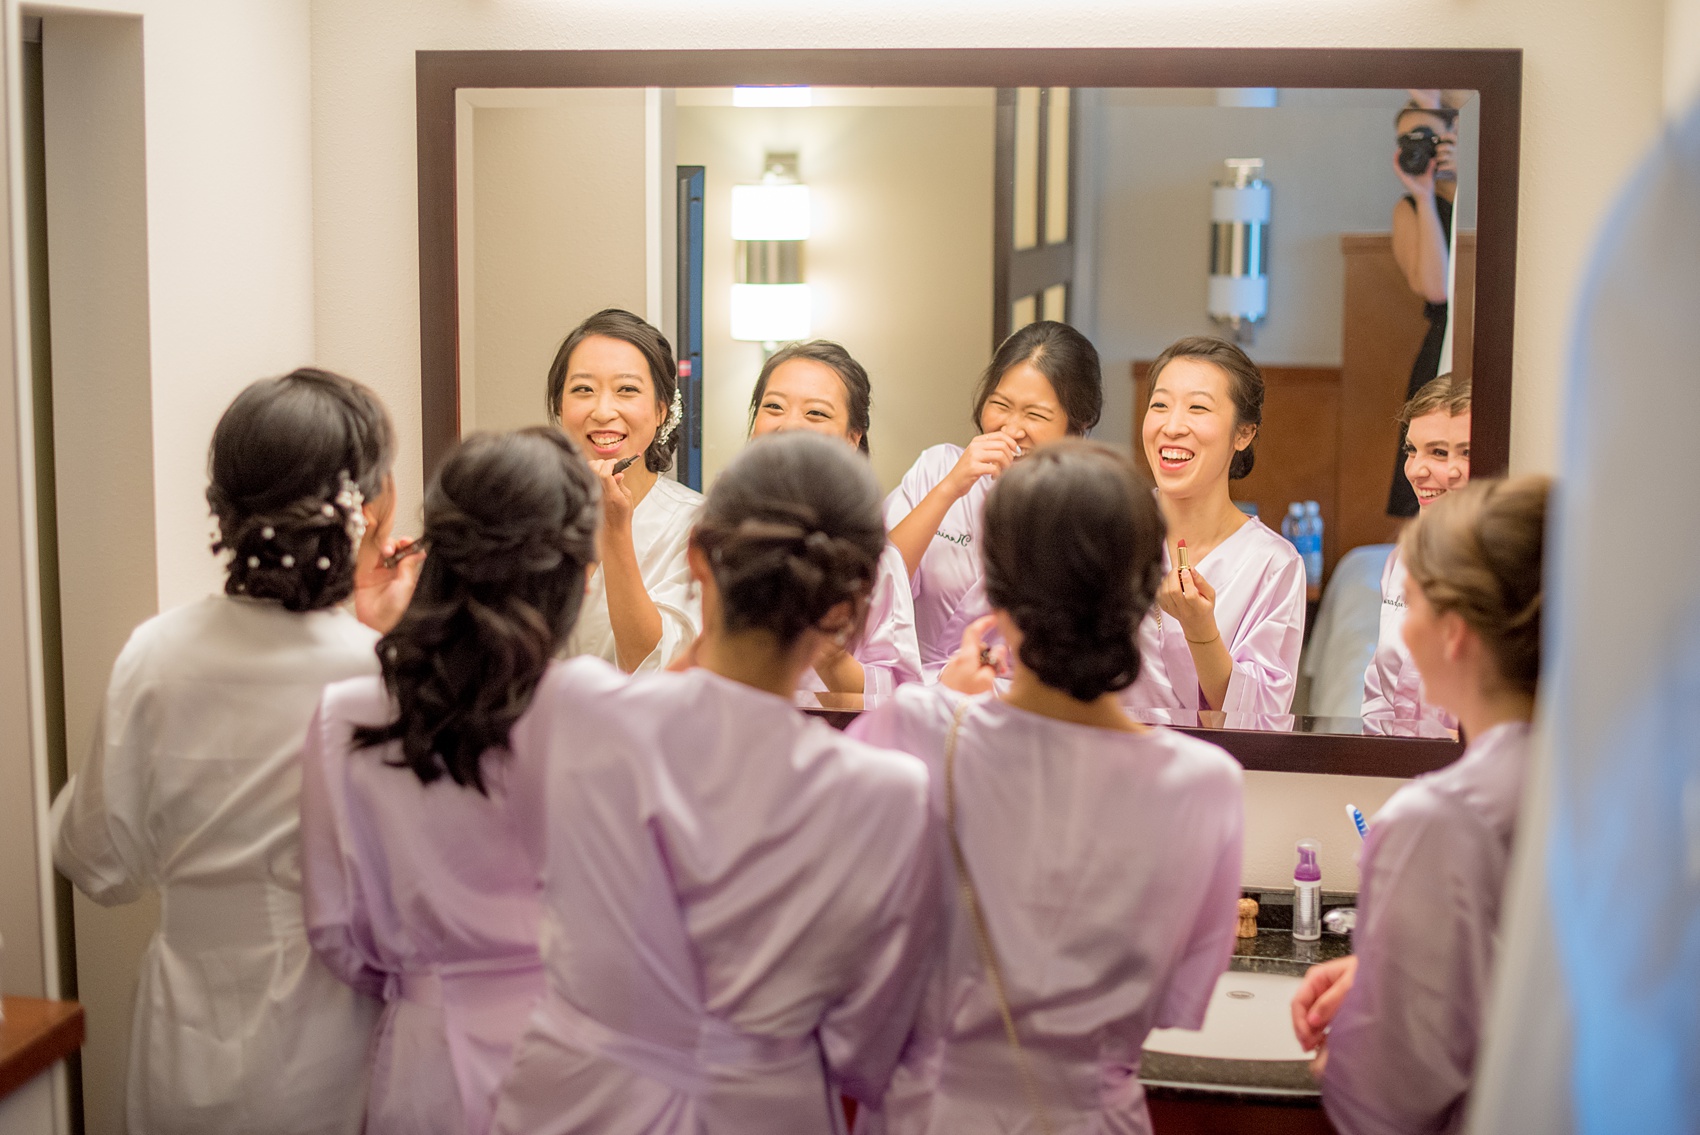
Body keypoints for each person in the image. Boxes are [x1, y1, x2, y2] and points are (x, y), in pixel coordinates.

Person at [490, 432, 941, 1135]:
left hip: (580, 1094)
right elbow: (870, 1039)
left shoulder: (577, 707)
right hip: (762, 1102)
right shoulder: (886, 793)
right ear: (851, 607)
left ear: (698, 554)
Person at [50, 369, 407, 1135]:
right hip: (332, 1036)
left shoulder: (155, 653)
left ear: (226, 504)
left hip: (183, 1036)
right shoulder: (376, 672)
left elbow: (95, 860)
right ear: (368, 505)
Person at [851, 440, 1244, 1134]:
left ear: (995, 587)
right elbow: (1177, 1003)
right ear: (1147, 584)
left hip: (937, 1112)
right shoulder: (1204, 785)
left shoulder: (918, 731)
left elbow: (844, 933)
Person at [300, 428, 601, 1135]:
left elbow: (337, 929)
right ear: (579, 572)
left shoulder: (347, 712)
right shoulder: (598, 711)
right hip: (578, 1060)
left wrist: (427, 979)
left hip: (425, 1052)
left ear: (434, 550)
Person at [1291, 476, 1548, 1135]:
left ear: (1455, 631)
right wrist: (1387, 970)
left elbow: (1389, 1097)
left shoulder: (1438, 818)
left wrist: (1343, 1055)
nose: (1401, 628)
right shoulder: (1595, 782)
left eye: (1409, 603)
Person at [885, 320, 1103, 678]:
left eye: (1035, 415)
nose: (1012, 429)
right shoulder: (937, 467)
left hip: (1017, 706)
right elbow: (879, 585)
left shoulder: (1088, 509)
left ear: (1077, 424)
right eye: (1000, 404)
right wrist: (950, 487)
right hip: (914, 690)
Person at [1124, 336, 1306, 714]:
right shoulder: (1106, 529)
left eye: (1198, 408)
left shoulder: (1273, 564)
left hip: (1214, 767)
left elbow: (1260, 720)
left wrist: (1200, 631)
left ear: (1244, 433)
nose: (1172, 426)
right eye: (1159, 405)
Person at [747, 339, 922, 695]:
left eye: (816, 413)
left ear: (851, 438)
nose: (789, 425)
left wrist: (829, 655)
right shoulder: (718, 537)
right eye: (774, 407)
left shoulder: (875, 560)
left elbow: (895, 698)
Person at [546, 308, 702, 671]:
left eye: (627, 390)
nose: (603, 411)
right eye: (583, 389)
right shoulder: (525, 511)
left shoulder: (698, 524)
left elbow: (658, 665)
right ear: (559, 405)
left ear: (662, 409)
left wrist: (615, 531)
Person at [1363, 374, 1471, 728]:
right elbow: (1379, 692)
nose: (1414, 470)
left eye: (1438, 452)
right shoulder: (1402, 562)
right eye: (1411, 450)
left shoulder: (1512, 573)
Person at [1386, 95, 1461, 518]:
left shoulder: (1483, 188)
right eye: (1406, 140)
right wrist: (1425, 195)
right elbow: (1435, 288)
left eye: (1427, 137)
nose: (1416, 146)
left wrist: (1468, 175)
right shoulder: (1410, 208)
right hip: (1442, 339)